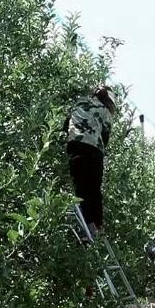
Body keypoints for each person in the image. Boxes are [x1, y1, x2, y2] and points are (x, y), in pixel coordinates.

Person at [64, 86, 117, 239]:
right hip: (95, 151)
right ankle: (97, 226)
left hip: (76, 146)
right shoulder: (105, 111)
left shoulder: (79, 102)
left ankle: (87, 228)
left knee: (81, 189)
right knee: (94, 189)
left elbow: (66, 124)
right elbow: (105, 135)